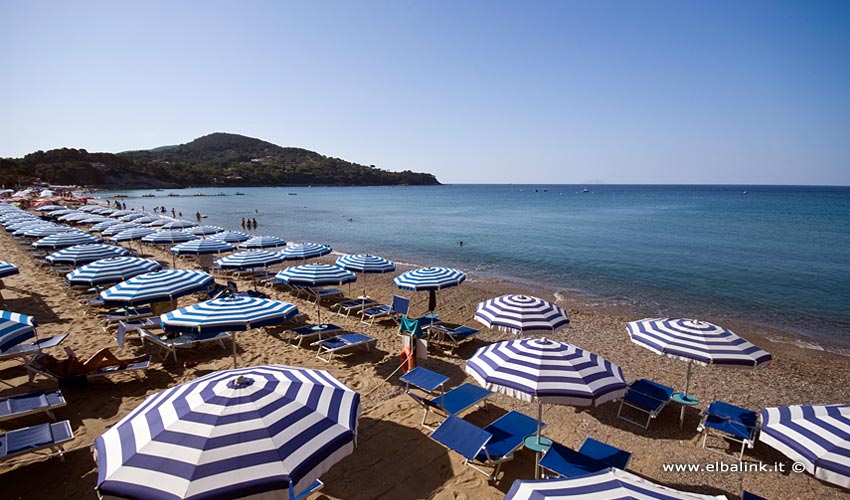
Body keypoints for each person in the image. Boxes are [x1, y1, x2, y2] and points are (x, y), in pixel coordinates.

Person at [36, 348, 146, 378]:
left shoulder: (55, 363)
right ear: (47, 362)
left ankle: (135, 359)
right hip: (84, 369)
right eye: (48, 357)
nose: (51, 356)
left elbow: (71, 365)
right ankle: (122, 364)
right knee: (104, 351)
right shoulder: (54, 368)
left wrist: (74, 359)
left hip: (82, 365)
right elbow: (67, 375)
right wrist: (70, 360)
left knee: (109, 361)